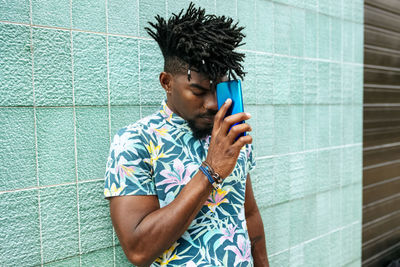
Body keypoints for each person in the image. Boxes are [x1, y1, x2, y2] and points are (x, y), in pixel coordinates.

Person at [104, 3, 269, 266]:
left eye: (219, 88)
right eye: (199, 91)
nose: (214, 103)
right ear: (167, 82)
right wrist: (211, 170)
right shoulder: (135, 141)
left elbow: (248, 214)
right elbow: (138, 249)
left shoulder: (229, 133)